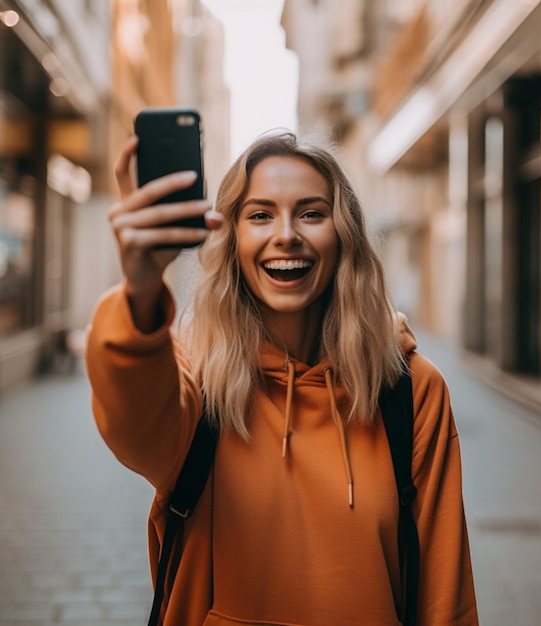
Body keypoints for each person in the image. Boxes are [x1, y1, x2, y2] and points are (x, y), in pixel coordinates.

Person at [85, 129, 479, 626]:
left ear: (345, 236)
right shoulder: (196, 381)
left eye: (312, 213)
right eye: (260, 215)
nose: (287, 233)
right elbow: (132, 419)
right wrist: (141, 291)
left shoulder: (409, 389)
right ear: (232, 239)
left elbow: (447, 596)